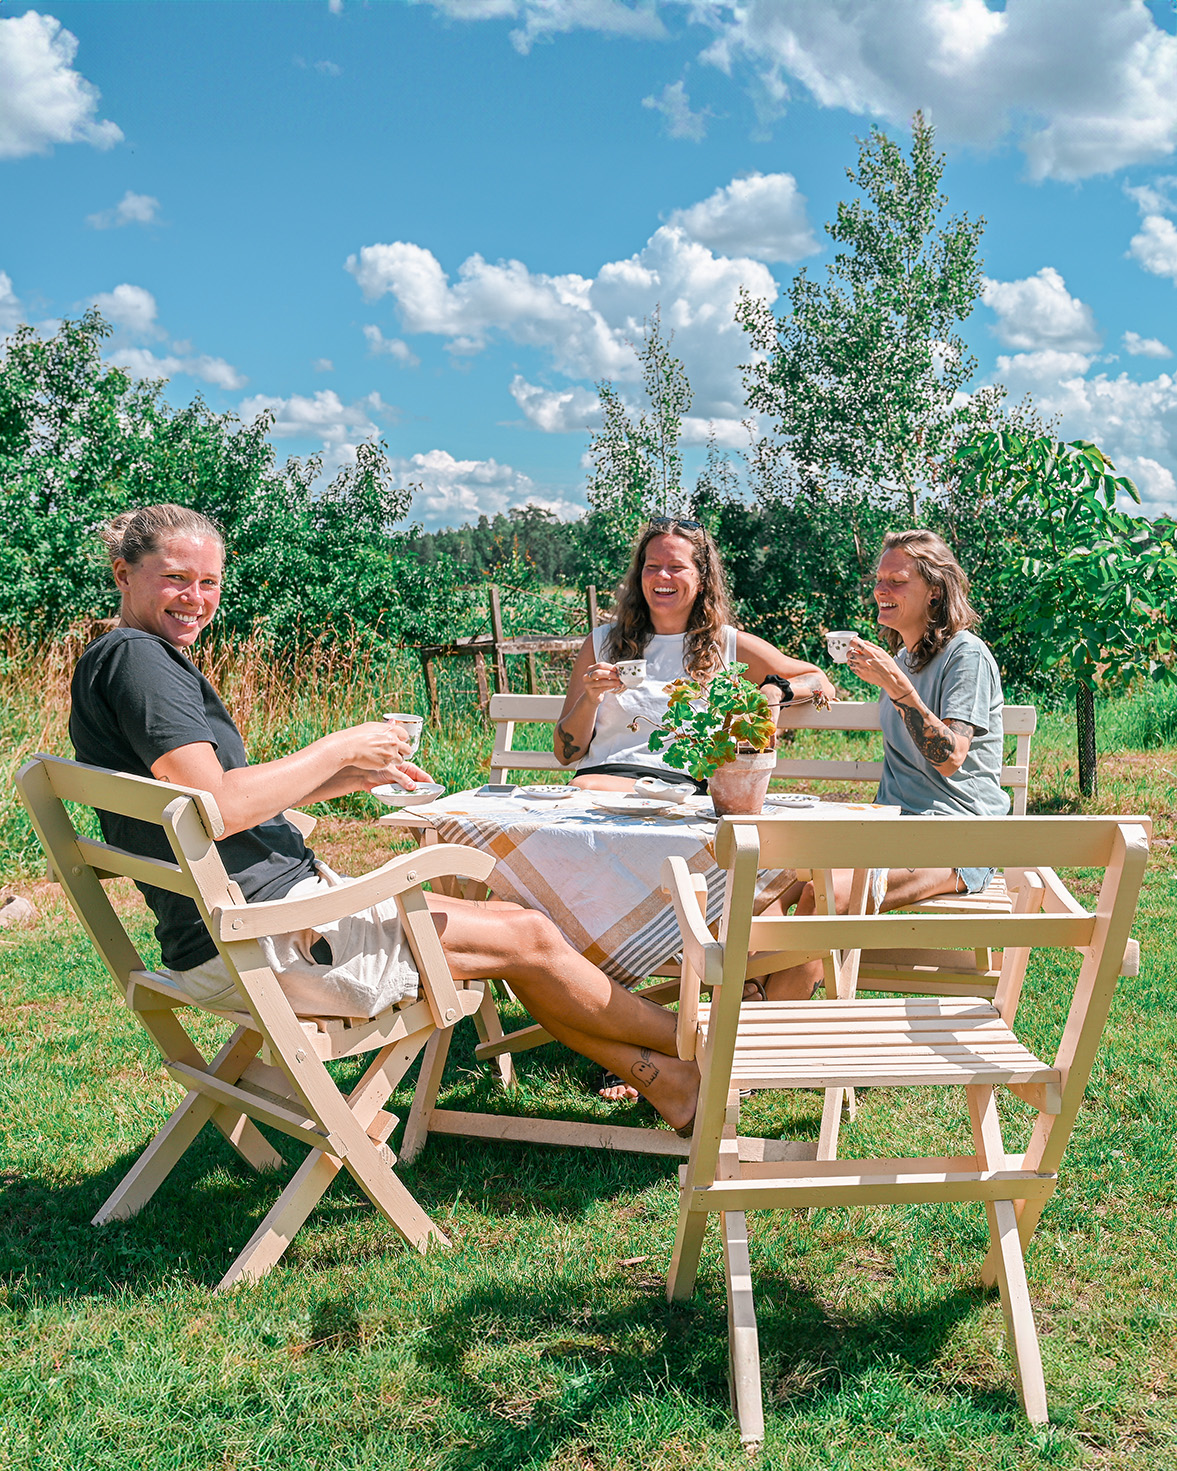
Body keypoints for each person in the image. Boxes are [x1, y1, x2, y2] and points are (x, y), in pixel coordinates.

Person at [68, 504, 698, 1132]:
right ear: (124, 574)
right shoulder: (140, 661)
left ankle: (669, 1081)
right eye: (176, 578)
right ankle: (712, 1048)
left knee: (514, 927)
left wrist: (343, 778)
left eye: (209, 582)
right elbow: (222, 806)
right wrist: (340, 746)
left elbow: (207, 805)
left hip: (236, 932)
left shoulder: (119, 659)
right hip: (272, 941)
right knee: (528, 936)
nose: (196, 598)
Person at [764, 528, 1010, 999]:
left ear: (934, 590)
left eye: (897, 581)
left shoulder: (966, 654)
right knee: (771, 881)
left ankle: (741, 1061)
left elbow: (950, 758)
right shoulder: (902, 656)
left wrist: (898, 687)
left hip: (956, 837)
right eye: (879, 580)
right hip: (891, 830)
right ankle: (751, 1003)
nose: (881, 590)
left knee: (826, 896)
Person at [556, 517, 836, 790]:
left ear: (702, 580)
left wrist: (774, 691)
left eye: (676, 567)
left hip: (683, 792)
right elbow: (565, 754)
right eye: (652, 566)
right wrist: (590, 699)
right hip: (600, 785)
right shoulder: (602, 642)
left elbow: (819, 680)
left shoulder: (726, 644)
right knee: (581, 789)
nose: (662, 576)